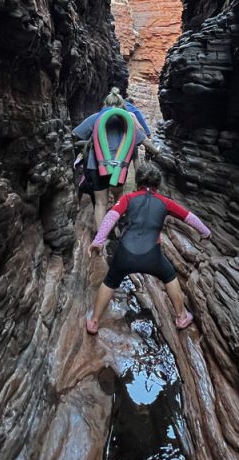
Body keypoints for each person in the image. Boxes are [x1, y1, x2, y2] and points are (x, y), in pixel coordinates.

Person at [85, 161, 211, 333]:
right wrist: (205, 232)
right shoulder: (166, 202)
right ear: (157, 185)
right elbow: (189, 217)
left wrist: (98, 241)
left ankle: (93, 322)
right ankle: (181, 317)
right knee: (169, 276)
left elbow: (110, 218)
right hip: (152, 256)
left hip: (124, 254)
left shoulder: (128, 198)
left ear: (137, 183)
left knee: (110, 282)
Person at [72, 88, 159, 226]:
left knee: (101, 203)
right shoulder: (127, 121)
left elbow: (75, 134)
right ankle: (116, 226)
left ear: (105, 104)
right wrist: (156, 152)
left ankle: (100, 241)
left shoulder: (96, 117)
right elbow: (145, 142)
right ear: (122, 104)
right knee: (119, 197)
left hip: (96, 167)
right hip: (120, 167)